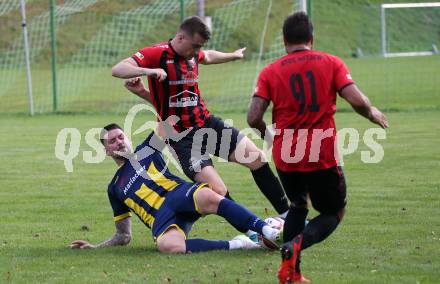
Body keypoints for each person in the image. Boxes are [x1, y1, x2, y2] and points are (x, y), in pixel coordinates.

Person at [247, 12, 389, 283]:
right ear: (312, 38)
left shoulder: (270, 71)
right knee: (334, 212)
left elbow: (253, 117)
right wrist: (371, 113)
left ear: (284, 40)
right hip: (320, 154)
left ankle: (292, 272)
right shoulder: (331, 62)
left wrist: (271, 137)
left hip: (286, 155)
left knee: (298, 205)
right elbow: (356, 99)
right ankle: (296, 245)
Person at [111, 16, 290, 220]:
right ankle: (256, 230)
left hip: (207, 125)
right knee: (219, 191)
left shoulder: (193, 53)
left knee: (257, 158)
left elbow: (209, 56)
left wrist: (232, 55)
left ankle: (288, 216)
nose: (197, 52)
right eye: (195, 46)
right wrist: (148, 71)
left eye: (200, 47)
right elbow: (118, 69)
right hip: (182, 140)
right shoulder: (156, 54)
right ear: (180, 37)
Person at [70, 124, 282, 253]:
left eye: (120, 137)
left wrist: (149, 90)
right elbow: (123, 236)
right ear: (107, 151)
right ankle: (239, 244)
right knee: (169, 247)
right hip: (161, 218)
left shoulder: (146, 149)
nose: (118, 142)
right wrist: (96, 247)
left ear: (127, 138)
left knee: (211, 196)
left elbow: (169, 120)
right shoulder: (114, 187)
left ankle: (268, 230)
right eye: (112, 141)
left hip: (178, 194)